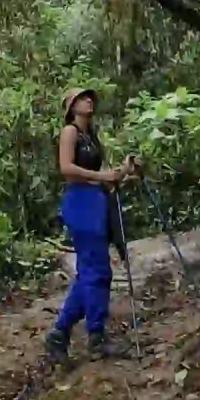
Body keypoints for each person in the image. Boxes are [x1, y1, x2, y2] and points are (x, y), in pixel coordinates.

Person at [44, 88, 135, 364]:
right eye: (82, 98)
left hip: (96, 200)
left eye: (90, 98)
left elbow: (104, 178)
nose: (89, 101)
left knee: (93, 272)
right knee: (96, 270)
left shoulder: (91, 138)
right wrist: (101, 176)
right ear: (72, 108)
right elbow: (66, 168)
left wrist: (124, 170)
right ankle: (95, 337)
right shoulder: (70, 132)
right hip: (80, 202)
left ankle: (59, 333)